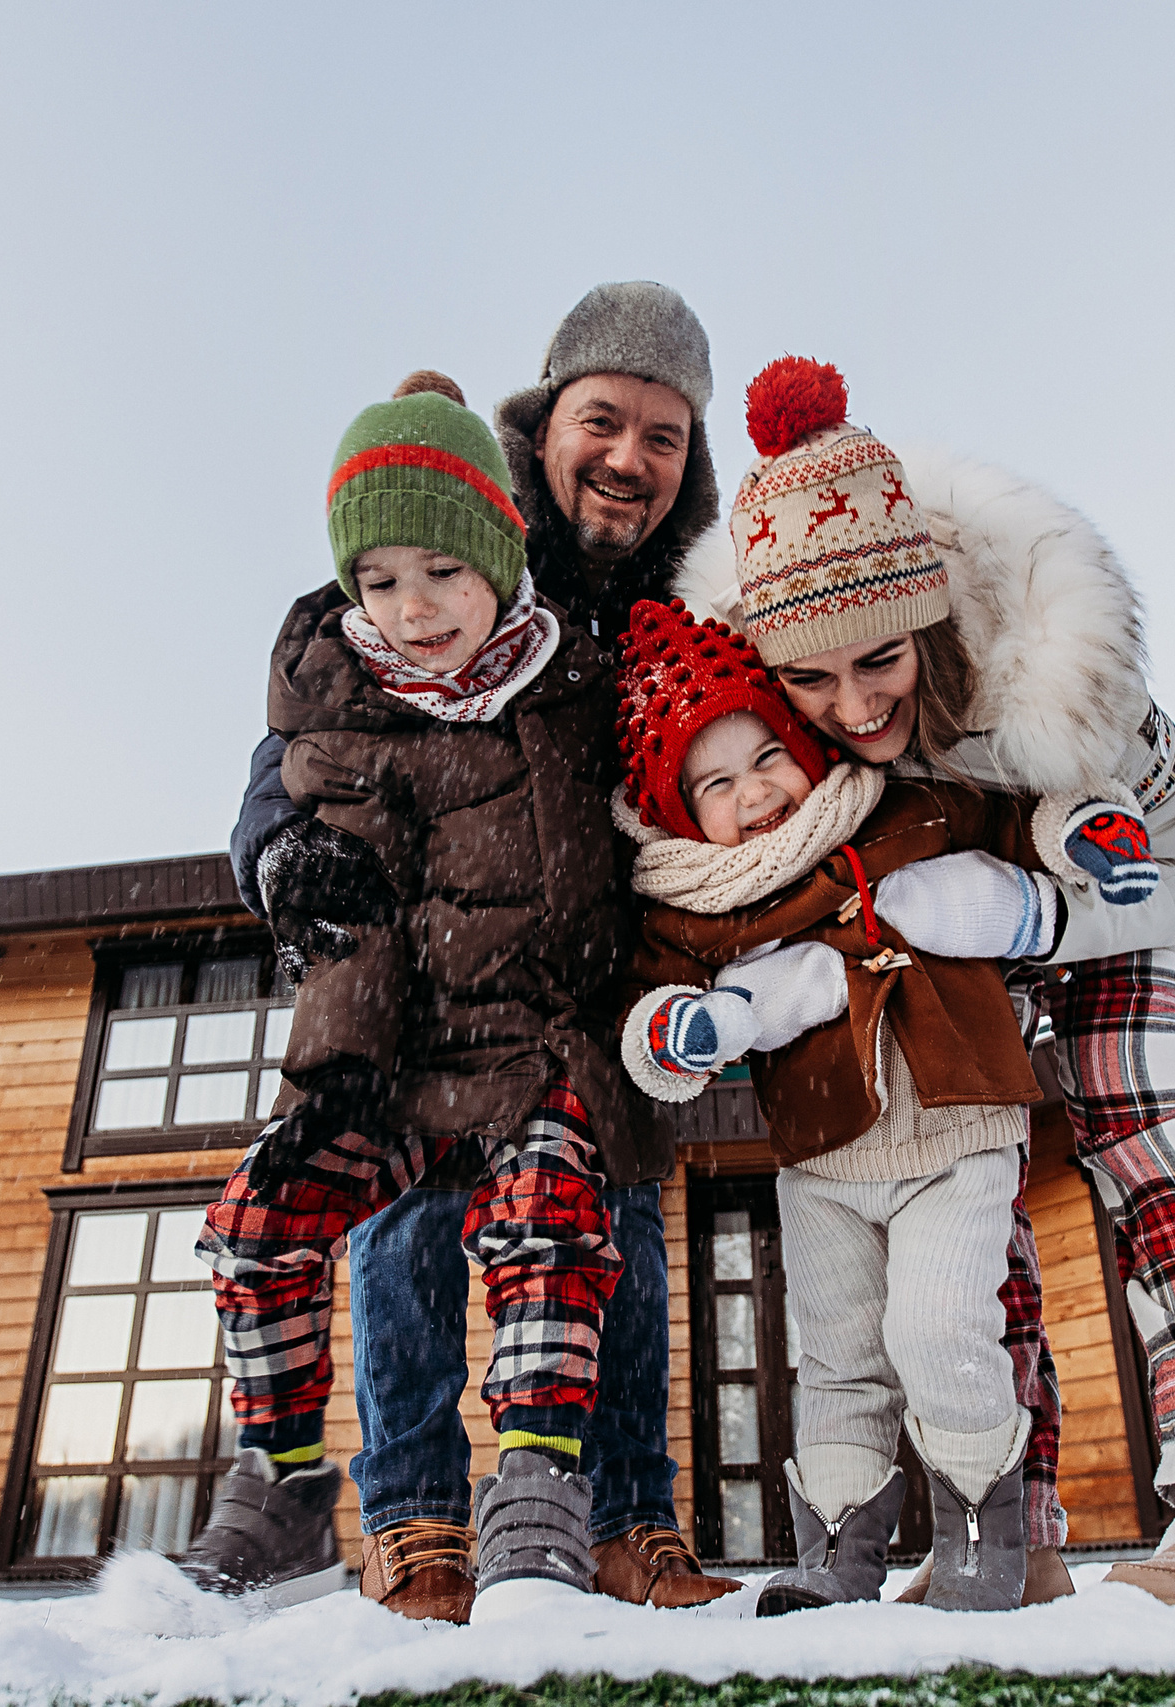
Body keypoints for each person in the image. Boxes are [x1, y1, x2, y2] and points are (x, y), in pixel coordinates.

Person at [678, 358, 1175, 1606]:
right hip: (944, 917)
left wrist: (1038, 908)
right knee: (963, 1164)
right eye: (811, 681)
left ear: (927, 619)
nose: (851, 706)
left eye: (879, 661)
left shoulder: (1056, 674)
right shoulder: (783, 709)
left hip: (1119, 888)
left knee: (1136, 1100)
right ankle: (1014, 1530)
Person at [223, 285, 742, 1618]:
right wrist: (279, 850)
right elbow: (311, 734)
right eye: (602, 419)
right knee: (402, 1226)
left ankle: (622, 1519)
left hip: (596, 987)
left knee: (608, 1234)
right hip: (421, 983)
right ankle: (414, 1520)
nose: (627, 456)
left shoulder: (697, 595)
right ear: (546, 422)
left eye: (663, 435)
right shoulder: (442, 539)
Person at [185, 373, 640, 1623]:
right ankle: (282, 1492)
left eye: (441, 570)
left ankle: (538, 1488)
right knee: (257, 1227)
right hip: (380, 1054)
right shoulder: (326, 703)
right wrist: (282, 861)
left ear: (498, 556)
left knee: (548, 1227)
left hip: (534, 1040)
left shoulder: (572, 687)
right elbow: (264, 813)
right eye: (379, 581)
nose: (413, 608)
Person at [607, 590, 1144, 1613]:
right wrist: (681, 1031)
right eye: (715, 782)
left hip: (957, 1126)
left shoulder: (902, 810)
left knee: (940, 1330)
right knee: (839, 1359)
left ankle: (981, 1543)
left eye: (767, 755)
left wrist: (1082, 838)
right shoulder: (699, 906)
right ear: (681, 811)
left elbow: (1014, 820)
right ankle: (836, 1558)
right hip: (821, 1156)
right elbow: (653, 1002)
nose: (754, 792)